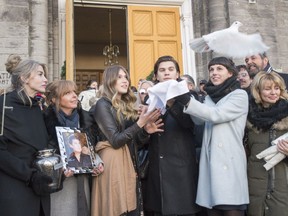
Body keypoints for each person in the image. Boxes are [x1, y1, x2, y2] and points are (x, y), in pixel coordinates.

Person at [175, 57, 249, 216]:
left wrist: (188, 100)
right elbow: (199, 119)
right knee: (212, 210)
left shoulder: (239, 95)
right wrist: (186, 99)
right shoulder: (208, 97)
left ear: (230, 73)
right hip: (210, 164)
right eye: (211, 69)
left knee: (232, 209)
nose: (214, 73)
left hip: (229, 163)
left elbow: (217, 115)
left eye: (219, 69)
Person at [91, 65, 163, 216]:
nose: (125, 80)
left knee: (132, 209)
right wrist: (140, 123)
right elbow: (116, 140)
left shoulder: (124, 105)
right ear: (110, 81)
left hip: (129, 160)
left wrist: (145, 131)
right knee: (117, 209)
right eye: (119, 77)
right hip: (112, 162)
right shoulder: (102, 104)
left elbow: (134, 141)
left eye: (126, 76)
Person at [145, 55, 200, 216]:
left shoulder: (189, 97)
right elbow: (145, 134)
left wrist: (172, 102)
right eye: (162, 70)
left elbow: (190, 124)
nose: (166, 73)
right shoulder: (150, 99)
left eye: (171, 69)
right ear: (156, 76)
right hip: (158, 169)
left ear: (177, 74)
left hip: (181, 169)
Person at [0, 54, 54, 216]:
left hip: (40, 193)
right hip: (15, 192)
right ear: (24, 78)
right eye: (40, 74)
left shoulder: (38, 107)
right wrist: (30, 176)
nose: (45, 79)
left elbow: (44, 144)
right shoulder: (3, 105)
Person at [44, 80, 103, 216]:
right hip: (61, 186)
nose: (74, 95)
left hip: (83, 182)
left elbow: (90, 147)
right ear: (54, 99)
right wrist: (59, 171)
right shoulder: (44, 121)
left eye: (74, 92)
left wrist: (97, 162)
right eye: (67, 93)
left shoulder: (86, 119)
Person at [245, 71, 288, 216]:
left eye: (277, 88)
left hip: (282, 190)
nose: (273, 92)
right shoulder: (247, 117)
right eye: (268, 88)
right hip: (254, 188)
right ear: (258, 91)